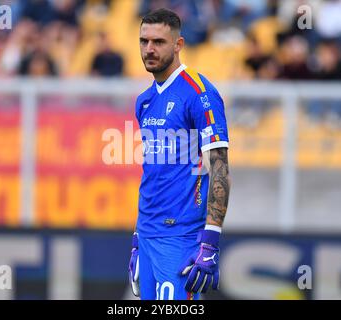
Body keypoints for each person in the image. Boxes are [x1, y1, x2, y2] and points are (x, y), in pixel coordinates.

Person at [128, 8, 231, 300]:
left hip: (181, 239)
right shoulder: (144, 101)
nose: (149, 49)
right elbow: (153, 172)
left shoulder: (199, 93)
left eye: (158, 42)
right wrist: (137, 239)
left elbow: (220, 168)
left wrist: (211, 241)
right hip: (148, 236)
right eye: (143, 41)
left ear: (178, 45)